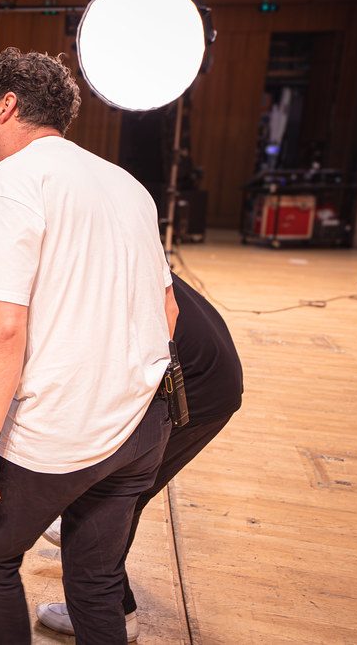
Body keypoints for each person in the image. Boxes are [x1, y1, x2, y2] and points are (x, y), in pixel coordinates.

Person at [0, 48, 177, 644]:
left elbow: (3, 325)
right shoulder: (128, 185)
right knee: (96, 581)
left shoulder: (12, 181)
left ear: (7, 106)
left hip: (62, 433)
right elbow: (169, 310)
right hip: (141, 429)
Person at [36, 272, 243, 641]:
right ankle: (107, 593)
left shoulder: (75, 276)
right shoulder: (105, 249)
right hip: (208, 368)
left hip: (196, 386)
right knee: (111, 499)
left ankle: (116, 612)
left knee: (110, 499)